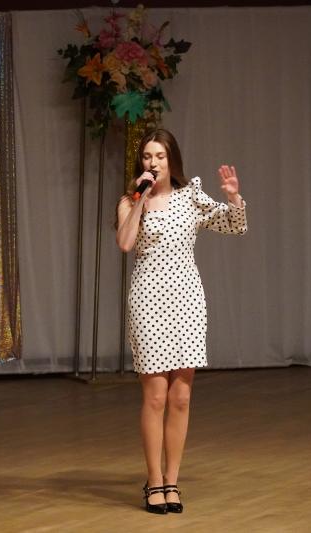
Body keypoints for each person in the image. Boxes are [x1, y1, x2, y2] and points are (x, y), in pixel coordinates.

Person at [116, 128, 247, 514]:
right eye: (147, 156)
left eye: (159, 156)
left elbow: (233, 224)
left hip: (186, 300)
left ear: (172, 159)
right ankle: (153, 480)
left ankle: (172, 481)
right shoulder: (130, 200)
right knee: (156, 396)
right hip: (148, 300)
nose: (153, 162)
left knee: (181, 396)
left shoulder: (191, 196)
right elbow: (125, 243)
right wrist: (140, 198)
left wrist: (233, 197)